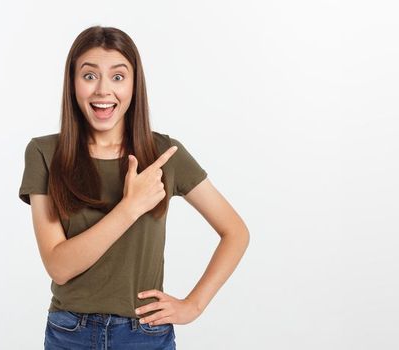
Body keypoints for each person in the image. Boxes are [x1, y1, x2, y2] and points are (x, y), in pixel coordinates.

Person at [18, 26, 250, 350]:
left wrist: (193, 305)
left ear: (134, 84)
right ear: (72, 84)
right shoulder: (44, 154)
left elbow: (236, 232)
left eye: (117, 77)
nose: (103, 91)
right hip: (71, 333)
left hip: (145, 334)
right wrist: (129, 208)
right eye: (89, 76)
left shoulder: (164, 155)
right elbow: (59, 266)